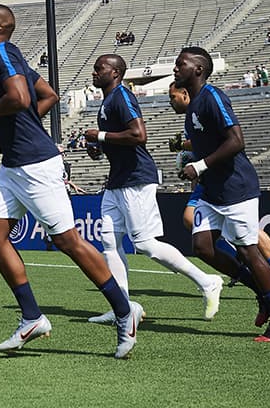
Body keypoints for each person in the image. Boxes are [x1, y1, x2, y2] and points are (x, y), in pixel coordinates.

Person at [0, 5, 140, 357]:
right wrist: (16, 130)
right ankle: (31, 316)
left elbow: (21, 98)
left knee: (69, 242)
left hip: (35, 165)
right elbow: (48, 96)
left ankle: (125, 312)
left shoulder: (2, 54)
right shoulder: (8, 55)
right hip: (15, 164)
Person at [85, 54, 223, 323]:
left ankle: (207, 282)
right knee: (109, 242)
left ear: (115, 73)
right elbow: (118, 140)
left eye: (99, 68)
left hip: (136, 178)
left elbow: (139, 134)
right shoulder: (108, 100)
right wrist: (98, 148)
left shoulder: (122, 96)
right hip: (117, 180)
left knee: (146, 245)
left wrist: (100, 136)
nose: (94, 72)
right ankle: (122, 309)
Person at [173, 46, 270, 342]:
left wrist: (199, 165)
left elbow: (236, 141)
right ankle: (263, 294)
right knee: (202, 246)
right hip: (212, 189)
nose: (176, 69)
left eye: (181, 64)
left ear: (199, 69)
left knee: (249, 252)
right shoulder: (195, 104)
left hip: (235, 187)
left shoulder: (213, 97)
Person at [167, 83, 270, 301]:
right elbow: (203, 145)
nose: (170, 101)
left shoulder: (209, 101)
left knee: (249, 237)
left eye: (172, 96)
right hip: (208, 180)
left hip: (226, 179)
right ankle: (247, 271)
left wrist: (188, 152)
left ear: (184, 93)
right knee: (193, 225)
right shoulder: (190, 115)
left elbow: (227, 140)